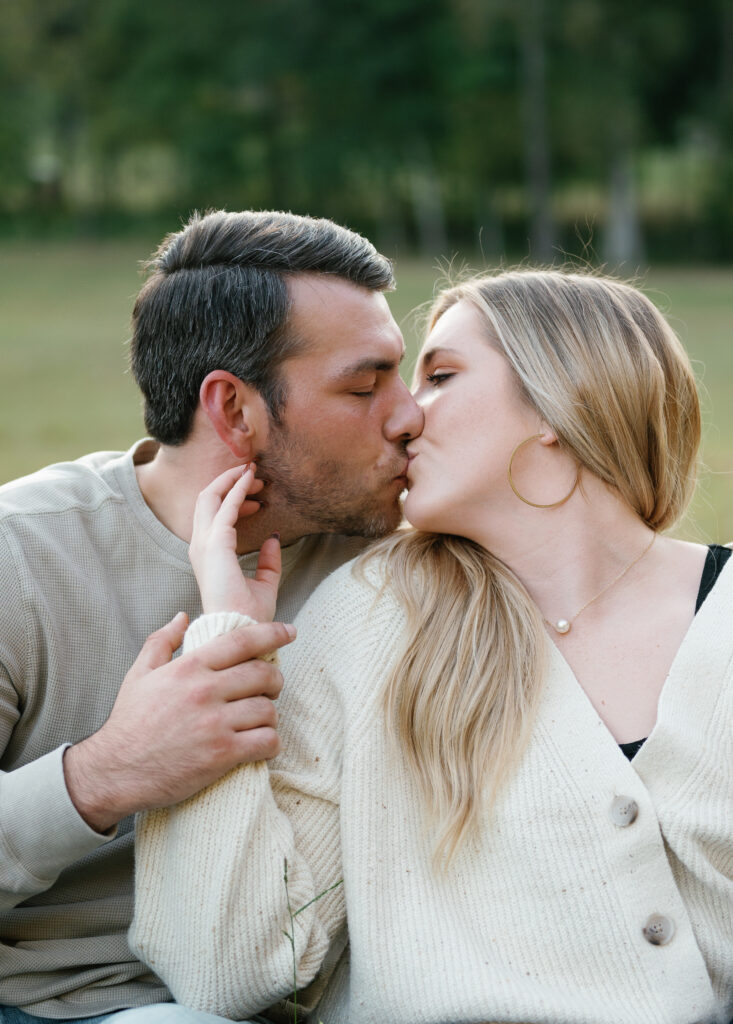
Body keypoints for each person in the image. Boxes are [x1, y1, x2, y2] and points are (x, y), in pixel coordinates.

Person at [131, 268, 733, 1024]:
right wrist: (226, 642)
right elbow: (232, 968)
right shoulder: (373, 620)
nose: (406, 415)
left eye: (441, 375)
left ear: (560, 397)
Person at [0, 209, 423, 1023]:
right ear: (233, 410)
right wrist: (103, 775)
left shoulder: (392, 559)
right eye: (364, 387)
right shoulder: (22, 557)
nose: (407, 417)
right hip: (68, 1007)